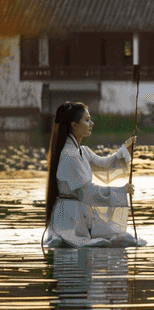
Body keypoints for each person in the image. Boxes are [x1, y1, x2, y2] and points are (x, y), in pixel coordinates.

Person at [43, 101, 146, 248]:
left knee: (124, 239)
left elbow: (104, 166)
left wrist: (125, 149)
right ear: (74, 125)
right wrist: (120, 191)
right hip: (69, 217)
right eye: (86, 120)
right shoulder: (69, 155)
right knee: (106, 243)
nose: (91, 123)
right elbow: (87, 192)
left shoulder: (82, 151)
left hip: (81, 213)